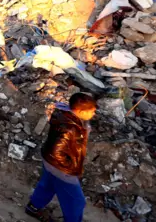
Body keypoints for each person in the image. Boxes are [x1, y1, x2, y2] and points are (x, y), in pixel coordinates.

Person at [25, 93, 97, 222]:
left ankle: (34, 207)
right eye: (91, 111)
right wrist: (69, 166)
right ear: (80, 111)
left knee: (48, 185)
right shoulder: (69, 128)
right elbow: (56, 150)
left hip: (49, 160)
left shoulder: (67, 117)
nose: (94, 113)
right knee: (76, 200)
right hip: (59, 166)